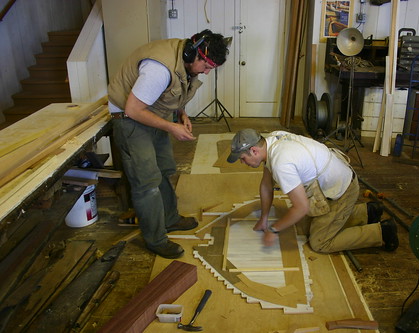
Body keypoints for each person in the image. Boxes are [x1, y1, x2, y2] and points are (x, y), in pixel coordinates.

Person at [108, 30, 229, 259]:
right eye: (207, 66)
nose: (208, 72)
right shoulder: (158, 70)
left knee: (164, 170)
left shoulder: (184, 60)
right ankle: (156, 240)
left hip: (153, 114)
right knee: (147, 183)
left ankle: (170, 219)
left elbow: (173, 93)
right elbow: (133, 110)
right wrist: (172, 127)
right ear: (193, 54)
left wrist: (181, 114)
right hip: (130, 120)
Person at [227, 129, 398, 253]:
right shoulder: (271, 140)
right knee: (301, 227)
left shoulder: (281, 162)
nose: (243, 163)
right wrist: (264, 219)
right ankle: (368, 212)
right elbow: (266, 186)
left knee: (319, 242)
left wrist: (273, 230)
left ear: (254, 151)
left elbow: (300, 208)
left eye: (243, 159)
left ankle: (382, 232)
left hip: (341, 191)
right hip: (333, 181)